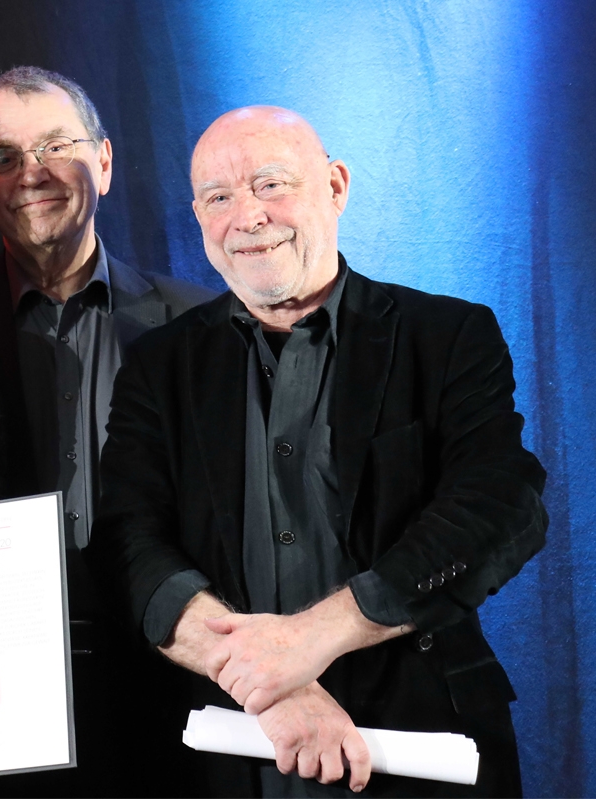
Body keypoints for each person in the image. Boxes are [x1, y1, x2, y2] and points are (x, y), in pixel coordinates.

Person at [96, 106, 547, 797]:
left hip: (417, 751)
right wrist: (271, 685)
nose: (247, 216)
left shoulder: (447, 335)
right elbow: (129, 541)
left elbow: (499, 506)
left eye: (270, 184)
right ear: (197, 217)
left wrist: (315, 635)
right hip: (229, 755)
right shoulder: (158, 367)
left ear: (334, 186)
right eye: (218, 198)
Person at [0, 66, 214, 797]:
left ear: (106, 162)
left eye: (58, 145)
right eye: (4, 157)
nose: (33, 172)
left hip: (171, 689)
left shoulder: (200, 328)